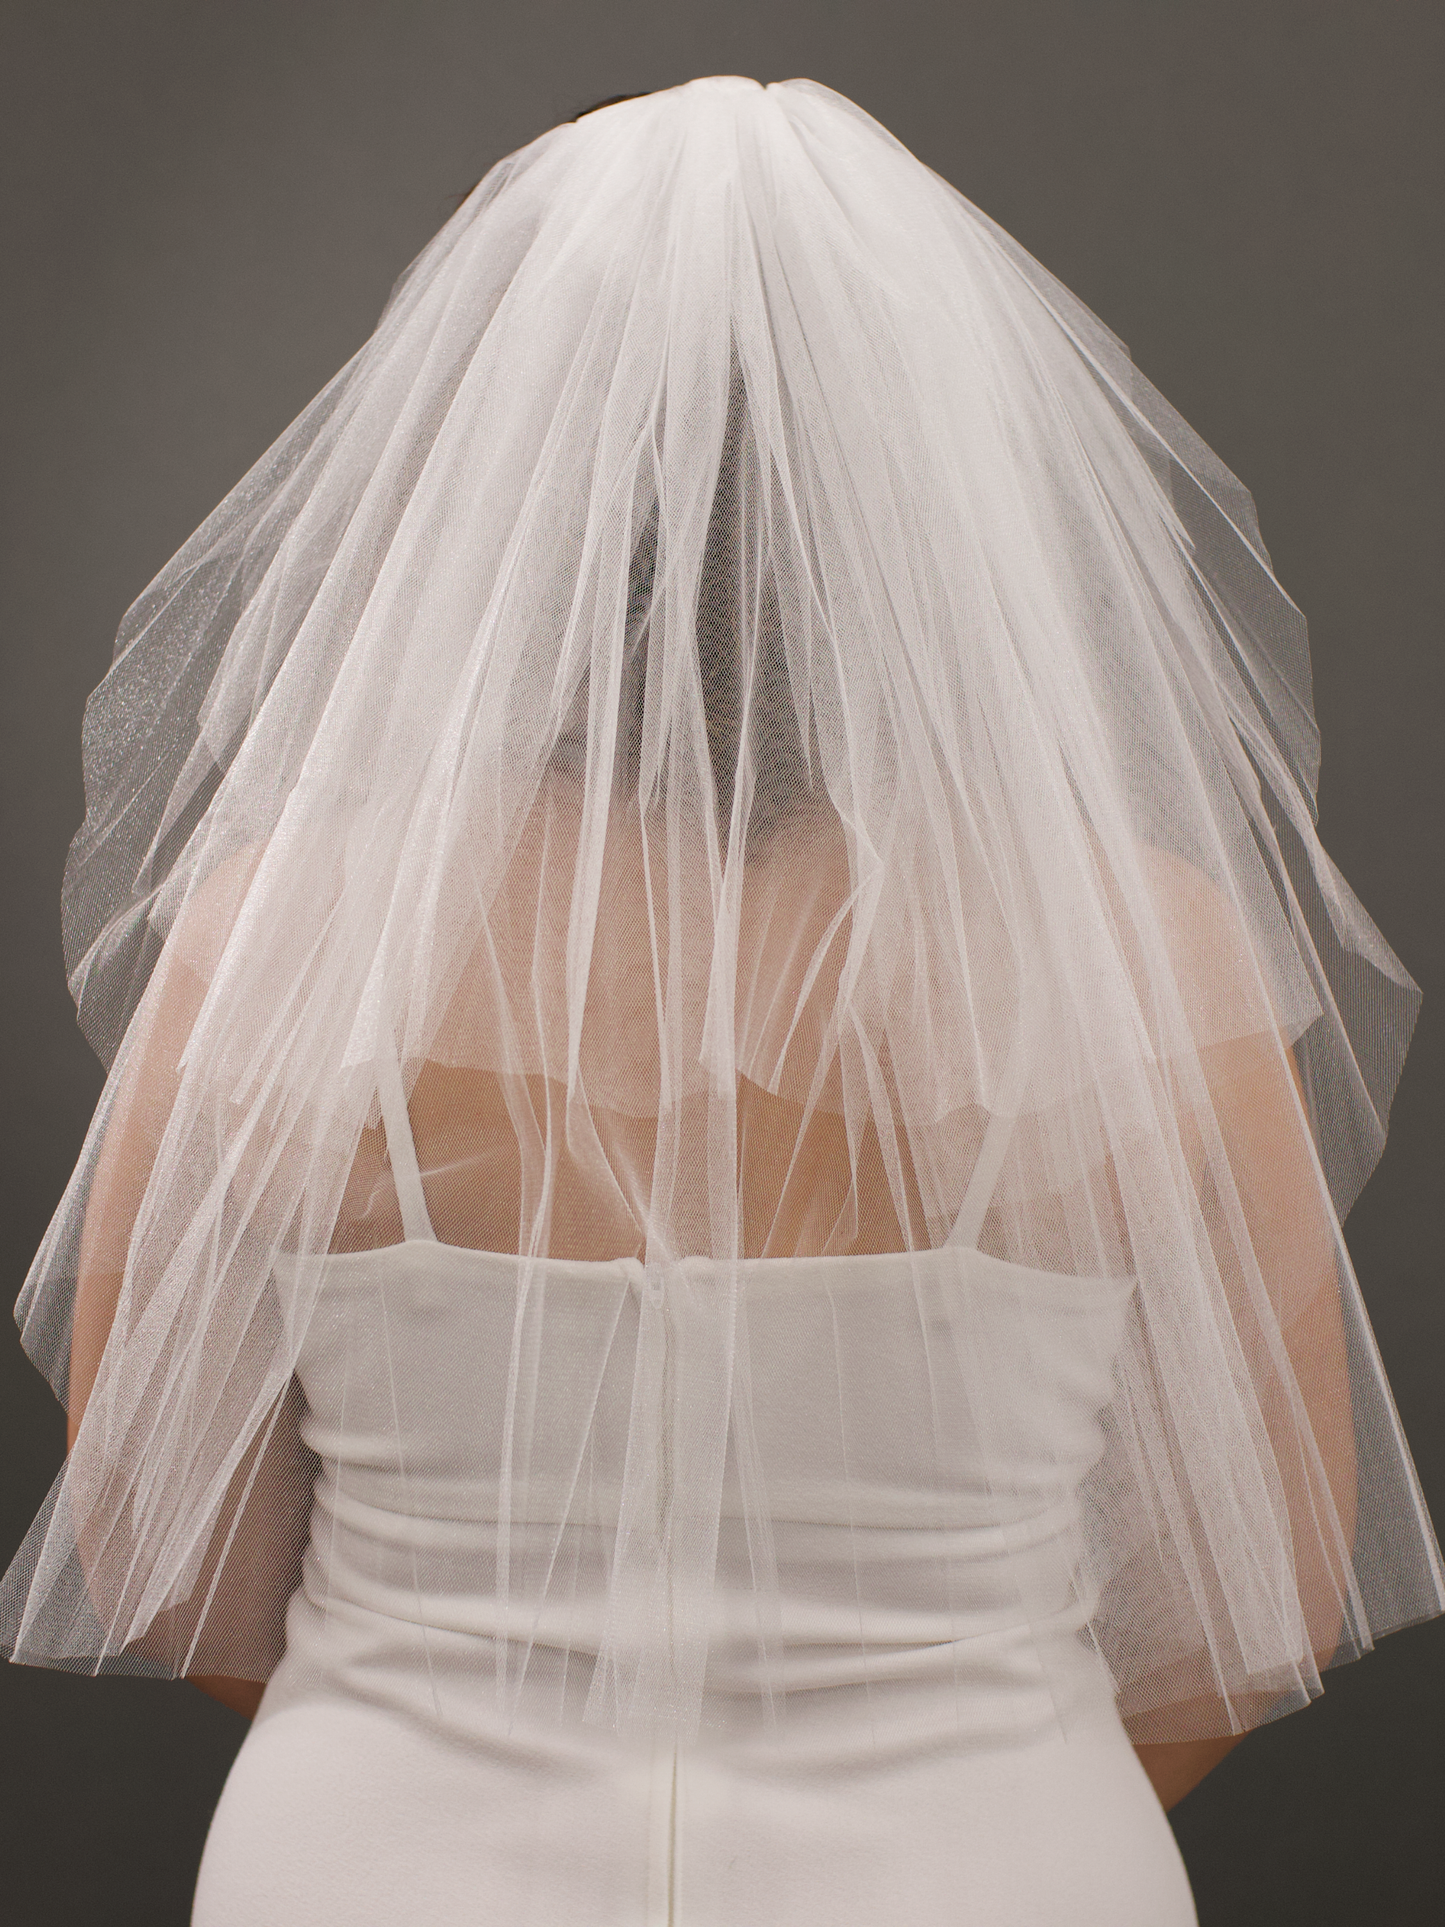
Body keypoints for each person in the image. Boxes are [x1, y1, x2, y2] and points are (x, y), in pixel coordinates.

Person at [4, 76, 1441, 1926]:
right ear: (942, 504)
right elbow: (1269, 1580)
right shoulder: (1152, 953)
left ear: (497, 494)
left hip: (389, 1864)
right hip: (992, 1871)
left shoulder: (280, 932)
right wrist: (966, 1780)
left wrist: (447, 1744)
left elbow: (157, 1550)